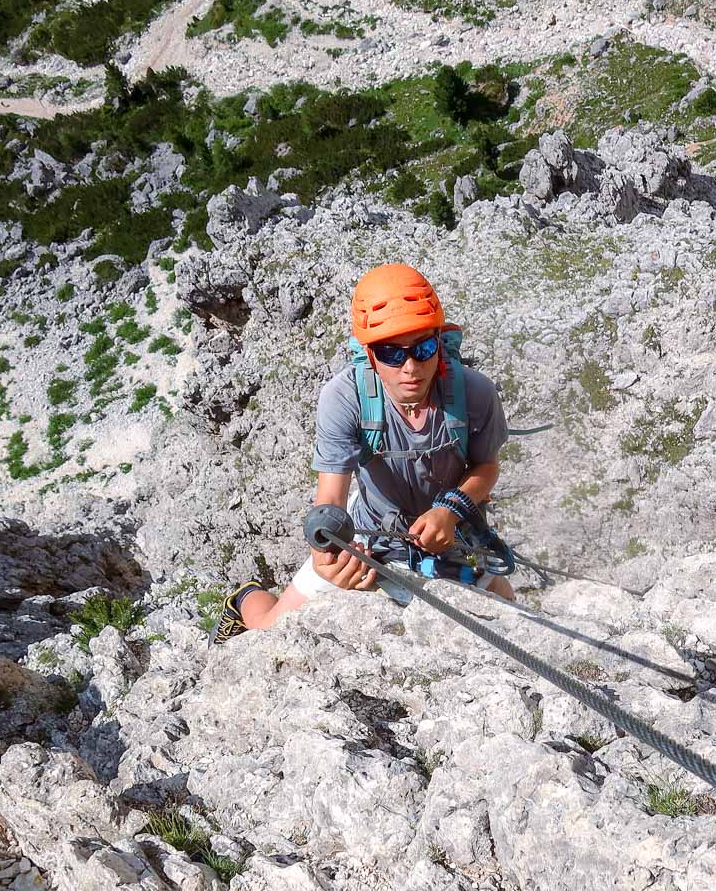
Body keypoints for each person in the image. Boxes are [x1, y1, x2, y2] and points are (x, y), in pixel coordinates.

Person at [218, 263, 513, 637]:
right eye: (391, 354)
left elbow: (487, 466)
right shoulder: (346, 398)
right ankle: (246, 598)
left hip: (455, 538)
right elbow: (330, 499)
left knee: (513, 612)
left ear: (439, 343)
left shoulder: (474, 392)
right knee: (267, 629)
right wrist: (328, 556)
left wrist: (449, 511)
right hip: (375, 538)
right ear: (370, 355)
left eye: (423, 348)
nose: (410, 367)